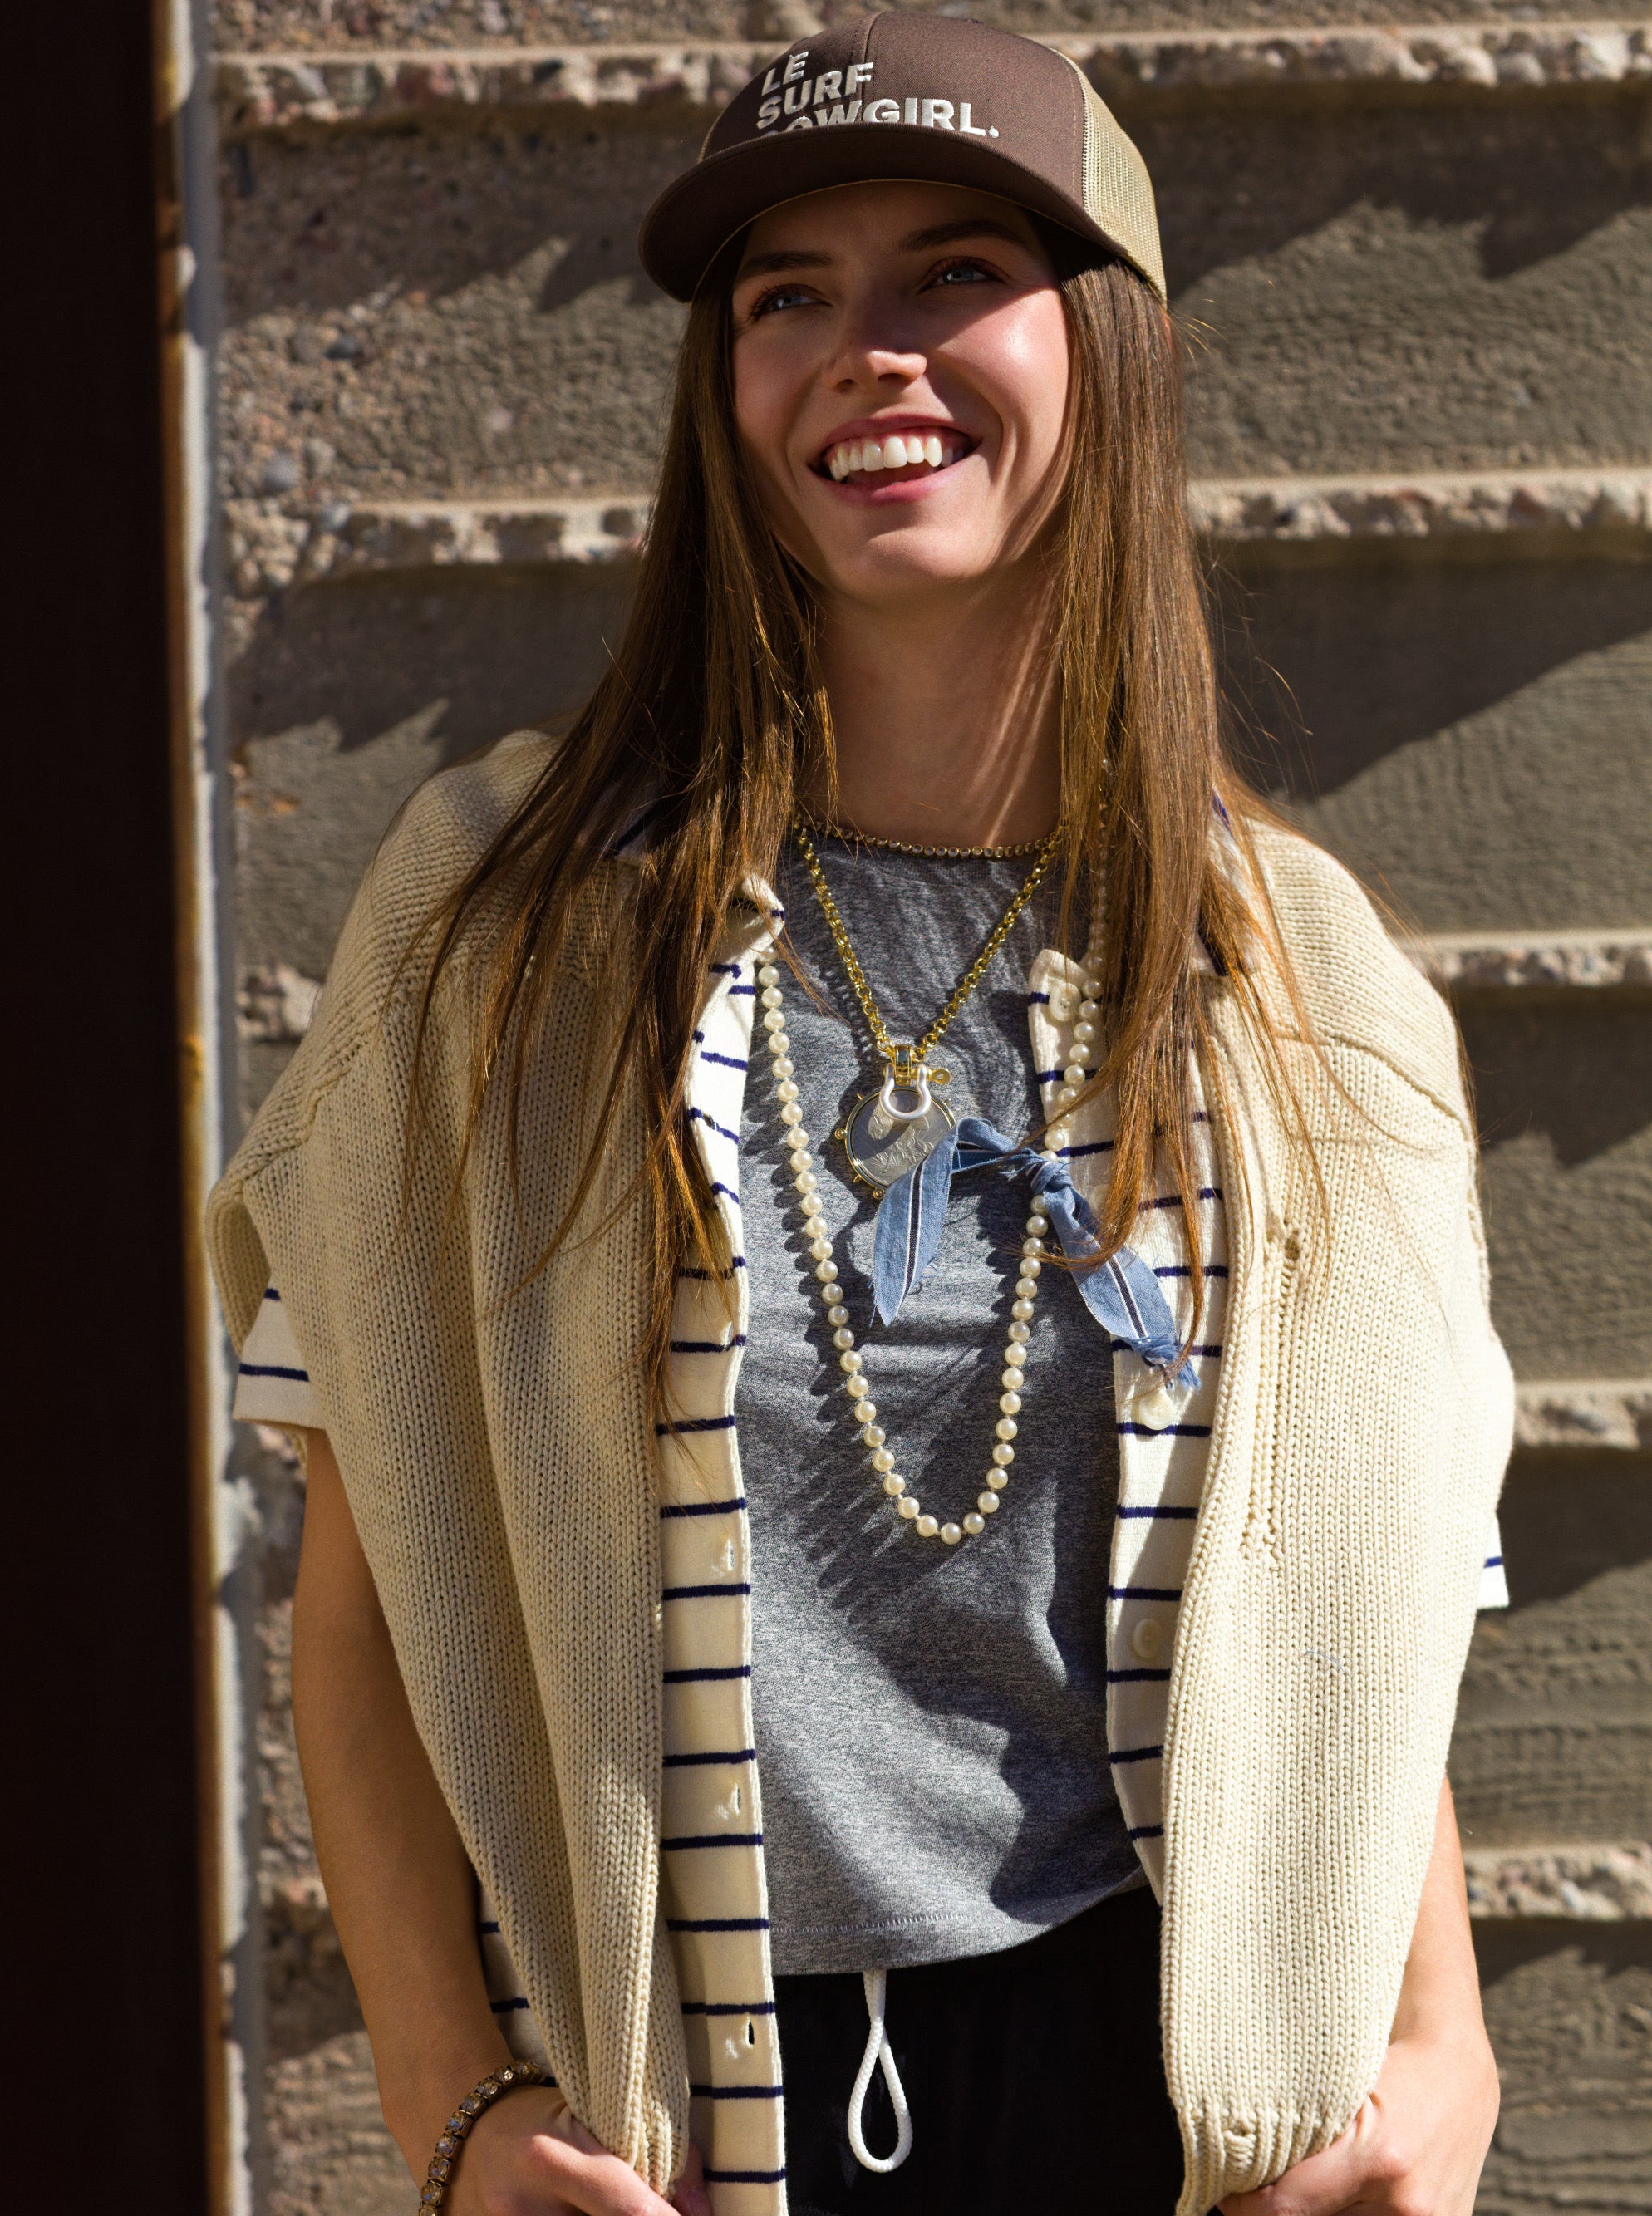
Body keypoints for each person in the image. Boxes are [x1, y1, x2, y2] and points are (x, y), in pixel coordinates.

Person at [209, 15, 1514, 2215]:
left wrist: (1441, 2042)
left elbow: (1364, 1596)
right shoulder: (495, 923)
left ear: (1104, 345)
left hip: (1172, 2100)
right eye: (786, 296)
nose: (862, 353)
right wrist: (456, 2109)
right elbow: (357, 1592)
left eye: (947, 279)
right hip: (688, 2114)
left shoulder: (1304, 985)